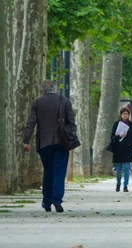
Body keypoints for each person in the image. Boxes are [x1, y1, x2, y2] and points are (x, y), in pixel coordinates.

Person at [22, 80, 77, 213]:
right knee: (59, 172)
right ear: (56, 89)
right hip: (61, 142)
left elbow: (31, 123)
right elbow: (72, 122)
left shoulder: (37, 103)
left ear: (42, 90)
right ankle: (57, 201)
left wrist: (26, 141)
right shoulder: (65, 101)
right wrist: (72, 138)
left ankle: (46, 202)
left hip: (44, 142)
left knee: (48, 171)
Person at [111, 107, 132, 192]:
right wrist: (119, 136)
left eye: (127, 114)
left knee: (126, 167)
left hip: (128, 149)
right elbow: (112, 137)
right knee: (118, 169)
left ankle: (125, 186)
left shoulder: (131, 125)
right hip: (118, 149)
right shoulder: (116, 124)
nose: (125, 115)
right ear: (121, 115)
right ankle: (118, 183)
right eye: (124, 114)